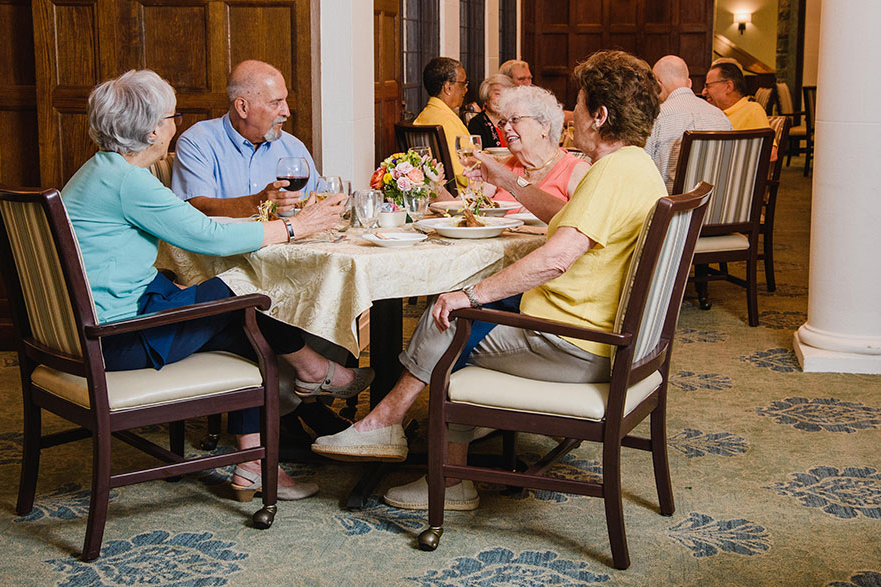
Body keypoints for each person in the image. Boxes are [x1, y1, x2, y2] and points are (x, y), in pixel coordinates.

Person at [312, 50, 667, 512]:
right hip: (608, 340)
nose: (568, 116)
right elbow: (565, 219)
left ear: (599, 116)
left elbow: (555, 258)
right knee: (464, 313)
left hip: (576, 346)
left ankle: (430, 461)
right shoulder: (637, 168)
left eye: (576, 106)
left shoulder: (607, 173)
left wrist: (471, 293)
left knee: (448, 321)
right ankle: (397, 428)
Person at [62, 70, 372, 501]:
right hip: (116, 339)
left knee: (241, 325)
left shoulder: (99, 171)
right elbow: (207, 236)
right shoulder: (128, 183)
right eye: (173, 116)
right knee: (247, 291)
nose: (176, 125)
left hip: (97, 323)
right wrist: (295, 228)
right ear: (153, 128)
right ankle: (315, 372)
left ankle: (255, 461)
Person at [171, 60, 319, 217]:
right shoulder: (197, 142)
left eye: (285, 101)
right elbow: (196, 208)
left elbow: (319, 195)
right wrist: (257, 204)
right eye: (275, 103)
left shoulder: (293, 147)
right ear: (242, 107)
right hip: (229, 240)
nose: (287, 112)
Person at [467, 85, 590, 223]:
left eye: (515, 119)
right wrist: (438, 188)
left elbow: (584, 224)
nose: (506, 128)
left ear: (544, 125)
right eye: (503, 122)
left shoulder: (576, 171)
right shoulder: (502, 166)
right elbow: (464, 210)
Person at [645, 55, 731, 190]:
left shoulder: (657, 118)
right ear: (689, 83)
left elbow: (644, 172)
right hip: (722, 207)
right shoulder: (721, 118)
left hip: (673, 208)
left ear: (658, 84)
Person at [414, 57, 470, 181]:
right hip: (458, 196)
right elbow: (464, 173)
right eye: (463, 84)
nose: (466, 90)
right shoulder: (448, 122)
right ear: (448, 88)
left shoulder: (422, 117)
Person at [702, 61, 772, 132]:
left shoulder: (752, 112)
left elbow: (767, 143)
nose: (703, 92)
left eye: (708, 86)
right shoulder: (713, 113)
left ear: (728, 87)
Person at [467, 73, 514, 149]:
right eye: (497, 94)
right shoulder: (477, 124)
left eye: (506, 95)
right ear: (486, 99)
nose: (501, 100)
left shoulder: (514, 122)